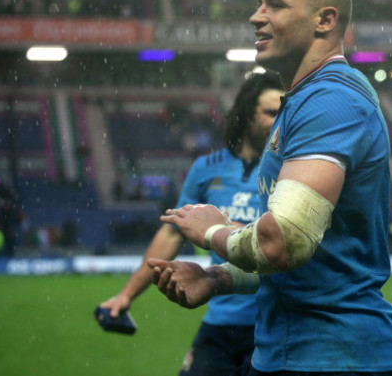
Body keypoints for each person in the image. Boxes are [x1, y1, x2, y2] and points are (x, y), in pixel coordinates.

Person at [149, 0, 392, 375]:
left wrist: (214, 231)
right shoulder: (303, 100)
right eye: (258, 4)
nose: (256, 16)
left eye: (275, 5)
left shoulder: (330, 101)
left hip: (330, 356)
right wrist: (215, 280)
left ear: (325, 20)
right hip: (291, 351)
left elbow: (285, 243)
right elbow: (307, 265)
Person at [99, 71, 284, 376]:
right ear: (248, 116)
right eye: (270, 113)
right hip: (220, 321)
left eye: (282, 113)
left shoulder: (290, 169)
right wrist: (126, 295)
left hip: (272, 323)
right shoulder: (205, 168)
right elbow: (171, 235)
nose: (278, 120)